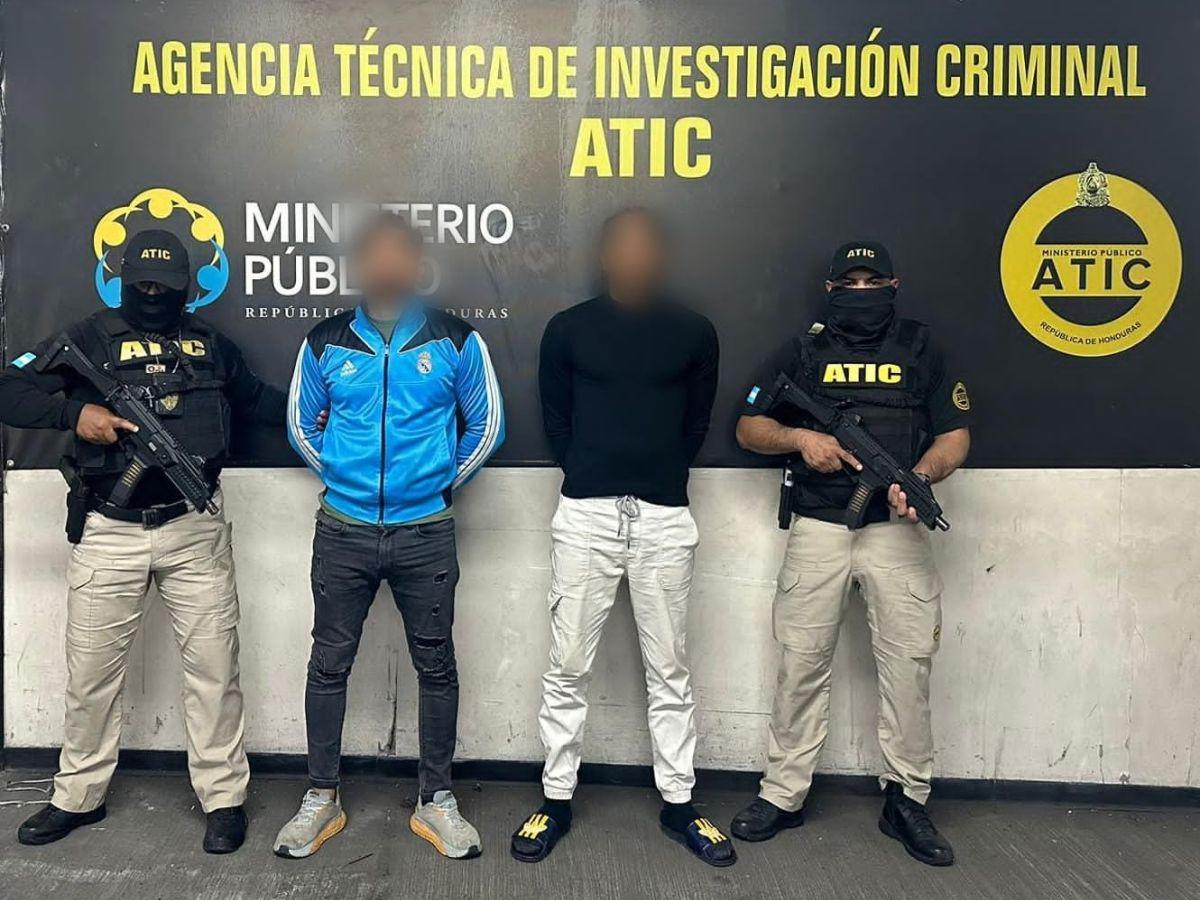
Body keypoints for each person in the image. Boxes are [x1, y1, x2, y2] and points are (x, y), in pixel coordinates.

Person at [0, 229, 286, 853]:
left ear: (186, 286)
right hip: (110, 531)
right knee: (91, 678)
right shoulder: (87, 339)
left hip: (193, 529)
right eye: (143, 284)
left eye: (166, 285)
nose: (154, 294)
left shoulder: (212, 345)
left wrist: (322, 413)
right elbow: (9, 389)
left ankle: (223, 798)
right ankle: (78, 796)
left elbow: (257, 401)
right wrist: (75, 415)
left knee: (215, 672)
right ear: (124, 280)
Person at [729, 241, 971, 867]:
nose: (862, 292)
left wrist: (921, 476)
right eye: (851, 282)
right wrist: (801, 437)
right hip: (819, 527)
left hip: (896, 530)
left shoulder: (921, 348)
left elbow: (954, 435)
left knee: (908, 667)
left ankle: (907, 799)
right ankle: (782, 794)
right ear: (832, 289)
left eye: (872, 282)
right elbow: (749, 427)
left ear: (893, 285)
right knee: (800, 664)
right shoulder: (803, 352)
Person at [510, 208, 733, 867]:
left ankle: (679, 802)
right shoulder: (568, 330)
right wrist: (593, 474)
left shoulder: (694, 332)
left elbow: (695, 426)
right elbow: (557, 421)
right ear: (607, 257)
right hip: (586, 514)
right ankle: (555, 799)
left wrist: (653, 475)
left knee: (671, 670)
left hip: (665, 518)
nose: (636, 257)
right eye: (624, 246)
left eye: (647, 246)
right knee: (567, 666)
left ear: (660, 258)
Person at [278, 212, 504, 860]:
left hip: (425, 533)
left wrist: (431, 486)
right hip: (343, 531)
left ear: (415, 265)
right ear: (359, 266)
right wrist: (346, 481)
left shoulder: (454, 339)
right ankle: (321, 797)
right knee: (329, 664)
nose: (385, 266)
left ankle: (437, 800)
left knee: (436, 665)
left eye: (396, 254)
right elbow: (300, 426)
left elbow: (486, 427)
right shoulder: (325, 341)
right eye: (373, 255)